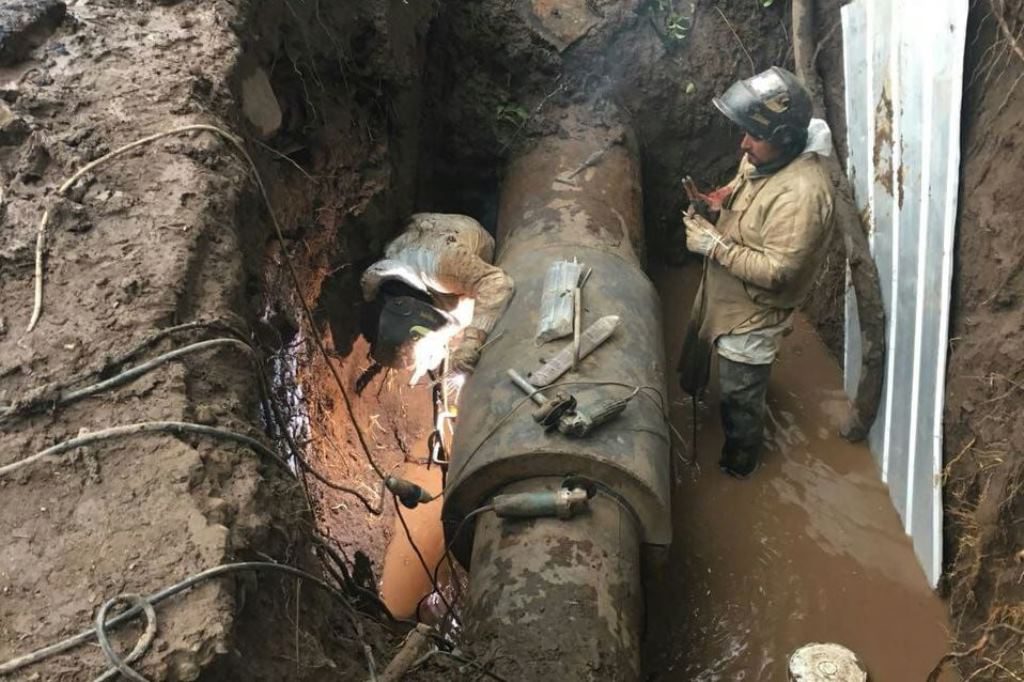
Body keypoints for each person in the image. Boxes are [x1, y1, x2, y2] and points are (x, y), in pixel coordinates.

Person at [677, 66, 836, 478]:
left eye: (754, 136)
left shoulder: (802, 195)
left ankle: (740, 464)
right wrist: (717, 202)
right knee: (701, 348)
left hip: (754, 312)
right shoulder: (765, 157)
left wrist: (716, 246)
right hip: (726, 286)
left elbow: (779, 272)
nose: (743, 144)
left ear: (785, 139)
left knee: (740, 396)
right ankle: (698, 400)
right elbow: (742, 188)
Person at [361, 212, 514, 378]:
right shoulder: (381, 288)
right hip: (415, 238)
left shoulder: (444, 267)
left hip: (454, 241)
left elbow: (496, 283)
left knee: (466, 319)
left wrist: (472, 341)